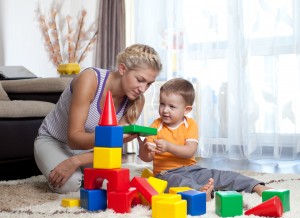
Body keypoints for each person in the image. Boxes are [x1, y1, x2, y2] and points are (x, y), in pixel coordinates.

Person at [34, 44, 163, 193]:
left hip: (86, 150)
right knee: (70, 185)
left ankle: (78, 169)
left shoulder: (137, 101)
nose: (143, 89)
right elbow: (73, 139)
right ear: (122, 69)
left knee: (106, 182)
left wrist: (76, 161)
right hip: (53, 140)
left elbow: (112, 150)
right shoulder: (90, 79)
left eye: (148, 84)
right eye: (140, 80)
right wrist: (115, 135)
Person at [138, 78, 271, 201]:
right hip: (165, 174)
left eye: (172, 107)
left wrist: (168, 147)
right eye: (162, 104)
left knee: (220, 175)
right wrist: (145, 148)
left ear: (186, 110)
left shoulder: (190, 125)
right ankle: (201, 193)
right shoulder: (155, 125)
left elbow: (189, 151)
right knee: (178, 183)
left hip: (191, 169)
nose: (165, 110)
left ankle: (256, 186)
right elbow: (147, 158)